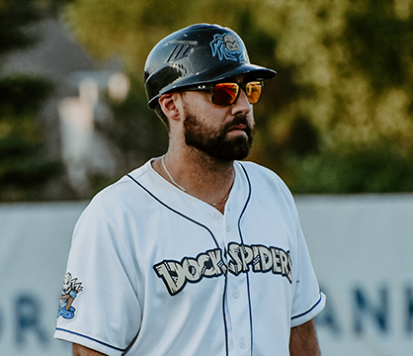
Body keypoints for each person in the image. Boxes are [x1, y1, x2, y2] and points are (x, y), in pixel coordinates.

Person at [54, 23, 326, 356]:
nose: (242, 105)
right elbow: (90, 351)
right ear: (171, 105)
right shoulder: (116, 215)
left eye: (249, 90)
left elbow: (300, 330)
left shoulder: (272, 192)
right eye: (223, 91)